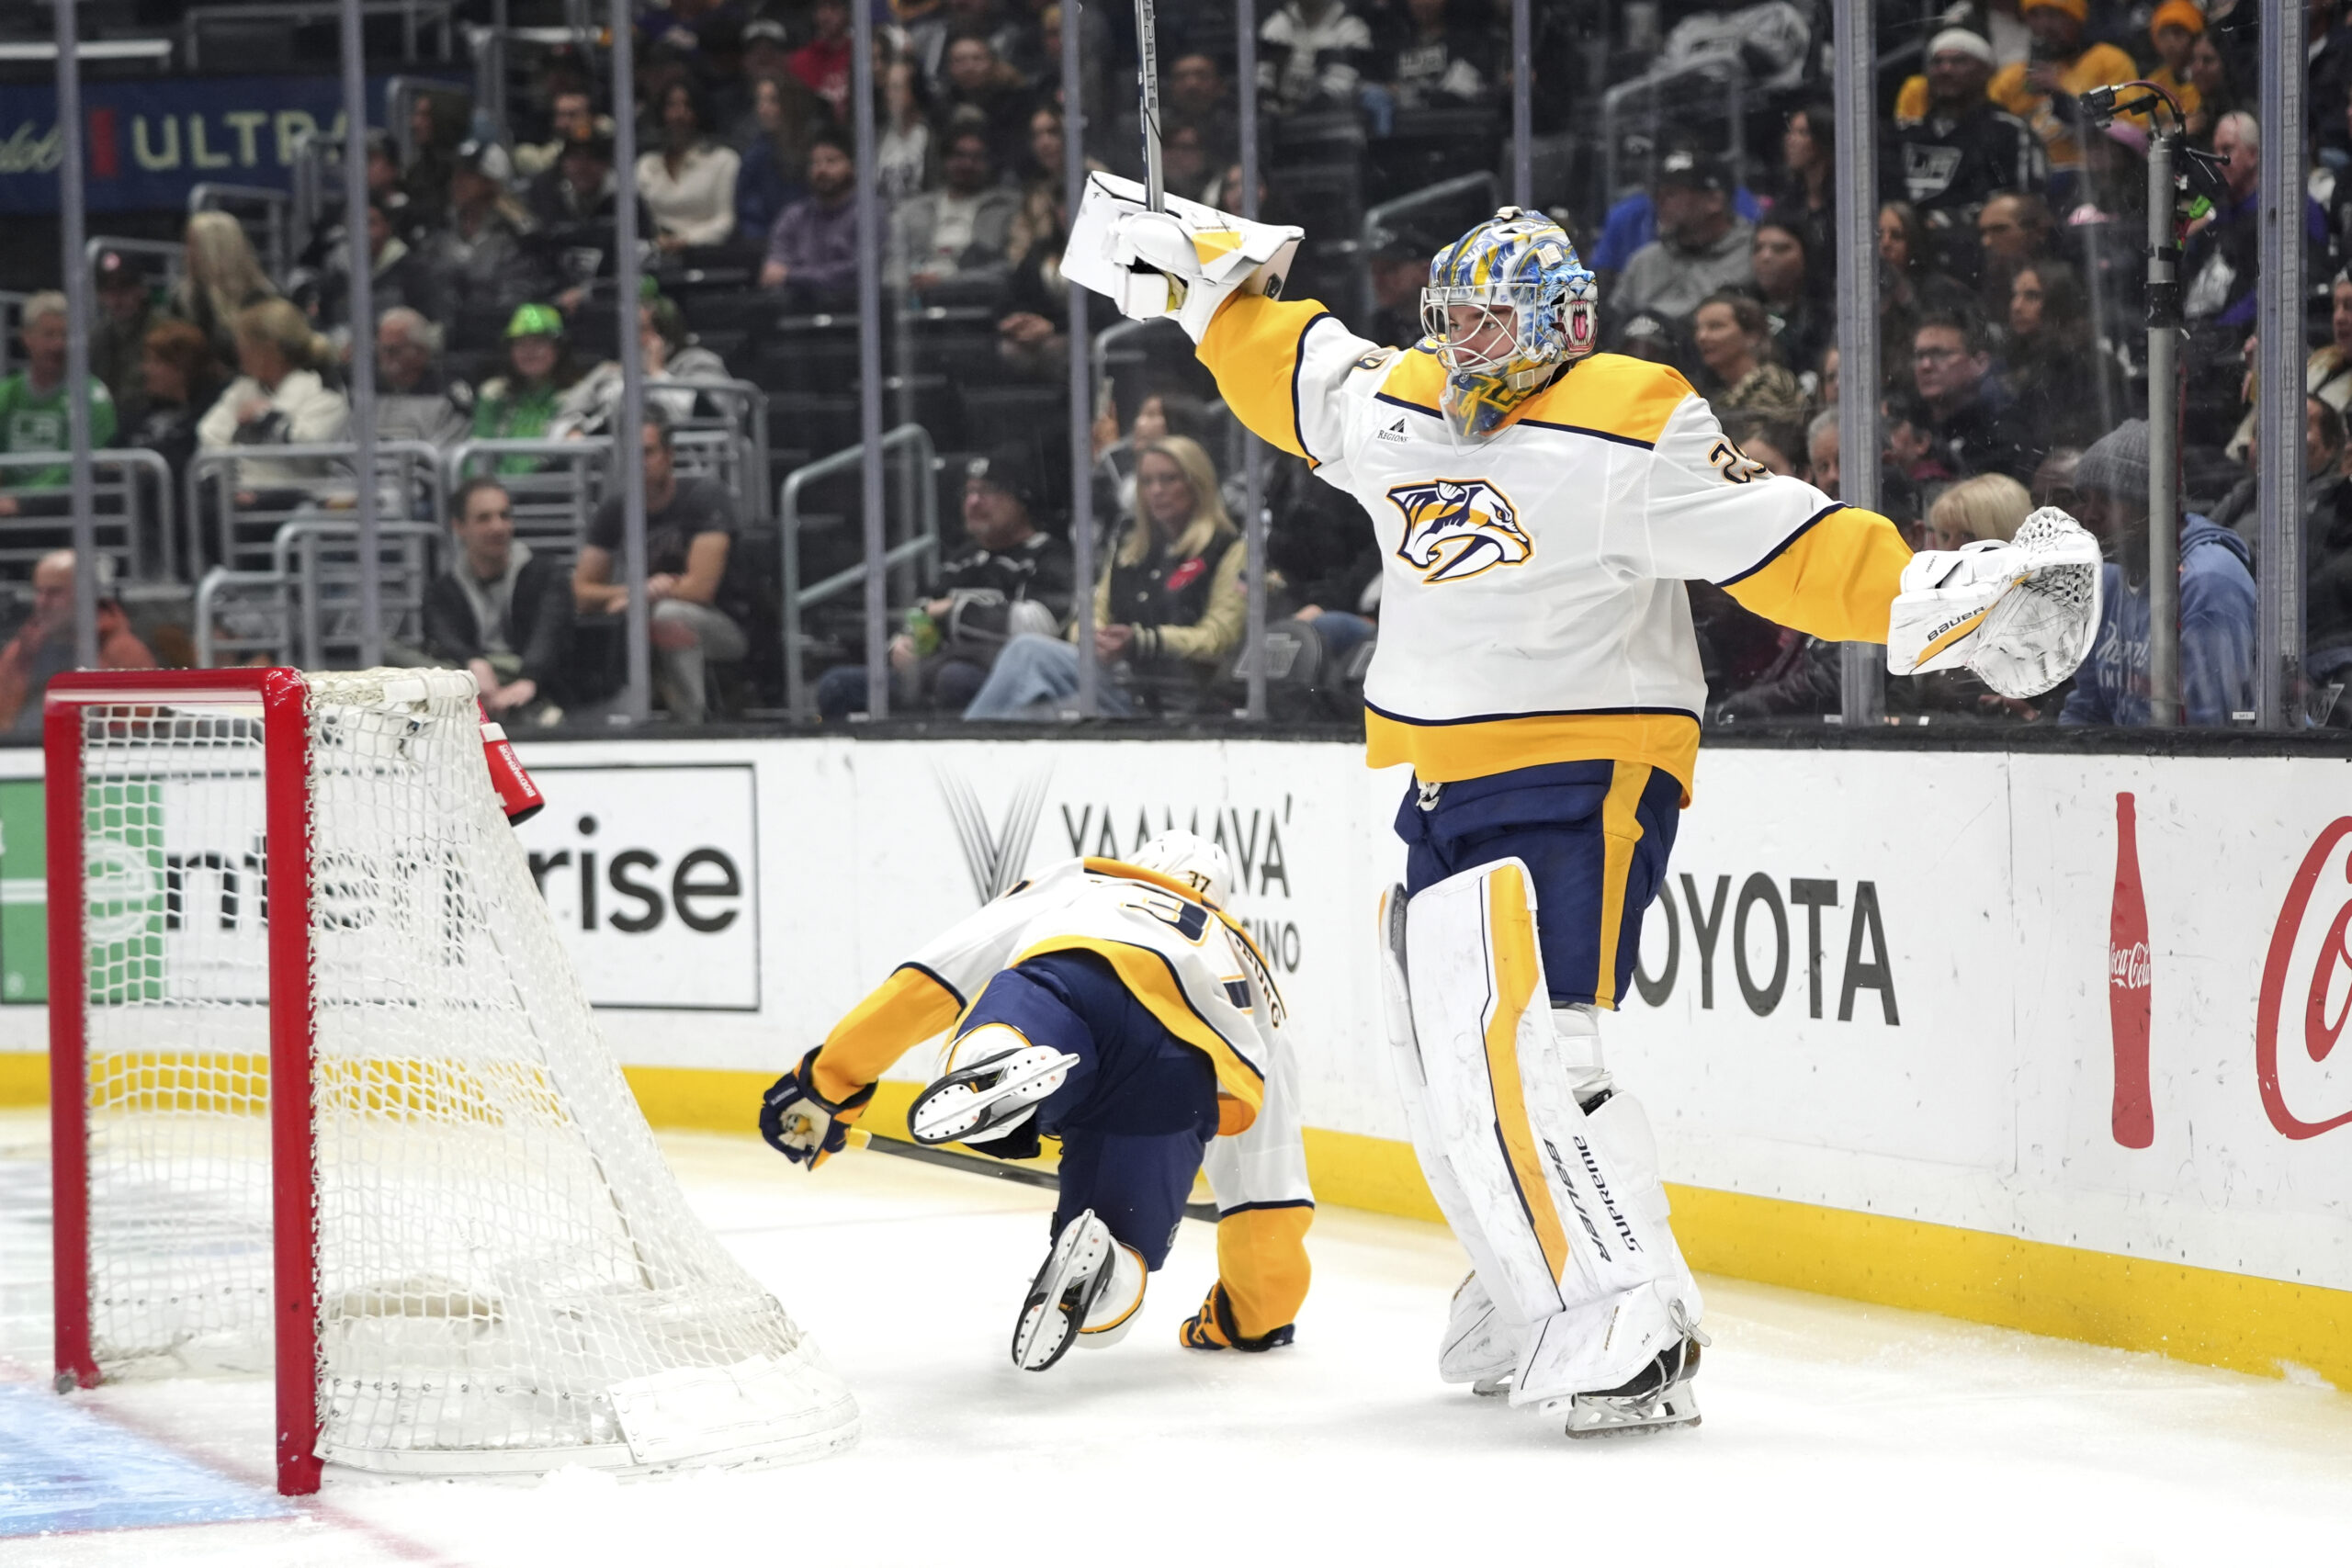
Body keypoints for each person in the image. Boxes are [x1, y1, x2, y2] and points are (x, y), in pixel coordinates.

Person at [1088, 197, 2098, 1433]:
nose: (1463, 340)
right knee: (1440, 1057)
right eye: (1447, 314)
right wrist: (1205, 288)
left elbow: (1780, 540)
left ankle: (1635, 1309)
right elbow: (1293, 369)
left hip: (1583, 765)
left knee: (1545, 1047)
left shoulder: (1630, 420)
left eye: (1489, 317)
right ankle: (1532, 1280)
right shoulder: (1399, 401)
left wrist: (1941, 593)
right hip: (1427, 777)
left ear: (1561, 323)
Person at [756, 830, 1313, 1368]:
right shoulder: (1246, 959)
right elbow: (1269, 1161)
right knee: (1119, 1238)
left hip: (1076, 982)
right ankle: (1111, 1272)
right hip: (1176, 1069)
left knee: (1022, 1014)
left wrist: (829, 1082)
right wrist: (1256, 1312)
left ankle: (1000, 1058)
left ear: (1143, 864)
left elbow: (937, 977)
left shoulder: (1090, 880)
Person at [966, 435, 1246, 719]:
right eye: (1147, 482)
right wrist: (1095, 637)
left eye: (1169, 479)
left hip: (1177, 695)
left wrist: (1141, 640)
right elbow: (1089, 614)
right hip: (1116, 679)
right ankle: (967, 744)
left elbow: (1219, 638)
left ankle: (963, 746)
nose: (1157, 491)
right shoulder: (1130, 546)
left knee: (1029, 715)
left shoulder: (1228, 548)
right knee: (1026, 651)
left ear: (1197, 484)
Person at [819, 442, 1075, 719]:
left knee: (954, 679)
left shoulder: (1049, 556)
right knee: (837, 685)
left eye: (987, 491)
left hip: (998, 679)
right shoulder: (962, 558)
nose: (973, 502)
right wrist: (900, 646)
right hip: (934, 669)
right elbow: (923, 611)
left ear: (1021, 500)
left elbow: (1041, 625)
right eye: (969, 492)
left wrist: (955, 610)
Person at [2060, 418, 2256, 728]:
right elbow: (2088, 710)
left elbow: (2214, 734)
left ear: (2156, 506)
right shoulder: (2108, 578)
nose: (2089, 515)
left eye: (2108, 499)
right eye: (2085, 499)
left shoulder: (2207, 582)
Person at [575, 410, 746, 724]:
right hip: (647, 609)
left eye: (648, 452)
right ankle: (608, 718)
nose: (640, 462)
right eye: (631, 454)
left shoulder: (703, 496)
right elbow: (582, 592)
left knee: (669, 616)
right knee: (614, 619)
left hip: (726, 624)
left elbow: (700, 589)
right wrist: (638, 593)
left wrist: (638, 598)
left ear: (670, 455)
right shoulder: (616, 508)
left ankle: (690, 725)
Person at [424, 476, 574, 725]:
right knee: (393, 654)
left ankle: (511, 704)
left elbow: (550, 633)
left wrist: (529, 679)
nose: (498, 527)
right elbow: (442, 634)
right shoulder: (443, 588)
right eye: (484, 518)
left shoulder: (546, 575)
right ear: (459, 527)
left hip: (528, 675)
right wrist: (473, 662)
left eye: (504, 516)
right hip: (470, 677)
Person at [1894, 28, 2047, 255]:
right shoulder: (1906, 135)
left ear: (1986, 71)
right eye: (1937, 62)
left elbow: (2025, 207)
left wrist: (1948, 221)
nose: (1945, 69)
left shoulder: (2009, 132)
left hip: (1977, 252)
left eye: (1959, 61)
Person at [196, 299, 351, 497]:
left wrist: (266, 417)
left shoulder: (321, 389)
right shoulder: (242, 389)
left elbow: (311, 450)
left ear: (268, 350)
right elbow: (210, 434)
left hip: (296, 497)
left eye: (244, 346)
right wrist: (227, 485)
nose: (239, 355)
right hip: (239, 496)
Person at [1988, 0, 2136, 193]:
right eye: (2035, 15)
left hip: (2092, 179)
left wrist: (2063, 95)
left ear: (2076, 17)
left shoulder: (2108, 61)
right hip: (2027, 180)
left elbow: (2130, 130)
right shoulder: (2014, 77)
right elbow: (1987, 129)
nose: (2044, 25)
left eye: (2053, 14)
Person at [0, 550, 154, 734]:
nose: (42, 602)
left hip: (98, 758)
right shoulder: (20, 653)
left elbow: (140, 725)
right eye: (39, 592)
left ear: (85, 594)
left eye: (54, 592)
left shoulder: (123, 651)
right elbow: (4, 720)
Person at [1609, 147, 1755, 329]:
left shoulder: (1755, 253)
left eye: (1671, 193)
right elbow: (1615, 331)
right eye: (1657, 193)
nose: (1659, 201)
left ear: (1714, 201)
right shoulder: (1644, 261)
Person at [0, 293, 117, 512]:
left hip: (66, 513)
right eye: (49, 335)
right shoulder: (5, 394)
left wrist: (22, 502)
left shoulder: (92, 395)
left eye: (65, 335)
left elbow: (79, 465)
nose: (57, 345)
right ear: (27, 338)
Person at [888, 124, 1021, 292]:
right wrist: (910, 281)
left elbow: (1009, 267)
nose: (967, 164)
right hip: (916, 298)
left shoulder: (1006, 209)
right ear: (945, 160)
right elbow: (891, 267)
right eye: (959, 155)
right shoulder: (913, 210)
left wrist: (947, 282)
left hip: (977, 298)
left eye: (976, 157)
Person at [2004, 258, 2115, 453]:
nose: (2016, 306)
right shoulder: (2017, 360)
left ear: (2059, 301)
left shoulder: (2084, 365)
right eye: (2015, 295)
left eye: (2032, 296)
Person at [1912, 311, 2031, 480]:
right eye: (1919, 356)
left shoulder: (2000, 438)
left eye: (1940, 354)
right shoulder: (1911, 428)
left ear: (1980, 363)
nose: (1926, 365)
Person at [470, 304, 583, 470]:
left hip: (555, 492)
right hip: (498, 491)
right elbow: (475, 460)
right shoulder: (494, 395)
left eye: (539, 342)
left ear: (559, 349)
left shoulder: (579, 396)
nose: (529, 352)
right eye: (520, 344)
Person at [637, 80, 741, 254]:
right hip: (655, 252)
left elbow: (726, 220)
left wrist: (686, 240)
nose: (679, 114)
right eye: (671, 105)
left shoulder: (724, 160)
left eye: (687, 105)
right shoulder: (646, 164)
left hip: (707, 256)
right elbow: (637, 220)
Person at [760, 130, 862, 310]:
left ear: (853, 166)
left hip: (854, 312)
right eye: (815, 163)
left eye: (831, 161)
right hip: (798, 314)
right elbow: (773, 273)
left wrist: (792, 277)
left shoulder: (868, 214)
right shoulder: (793, 216)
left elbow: (859, 272)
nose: (822, 169)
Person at [165, 211, 277, 372]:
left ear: (214, 249)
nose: (187, 254)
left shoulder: (264, 298)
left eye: (193, 245)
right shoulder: (183, 299)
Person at [127, 319, 223, 501]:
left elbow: (182, 461)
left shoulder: (210, 412)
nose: (145, 369)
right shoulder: (139, 413)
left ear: (181, 367)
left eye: (155, 362)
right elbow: (110, 457)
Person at [1690, 291, 1806, 425]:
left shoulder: (1772, 384)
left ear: (1752, 336)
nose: (1701, 337)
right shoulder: (1717, 396)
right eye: (1698, 329)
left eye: (1716, 326)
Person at [734, 72, 822, 243]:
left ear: (791, 103)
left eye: (772, 101)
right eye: (760, 101)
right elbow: (750, 213)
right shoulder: (755, 156)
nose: (763, 109)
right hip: (768, 247)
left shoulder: (817, 149)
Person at [375, 308, 472, 448]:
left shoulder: (448, 396)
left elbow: (444, 458)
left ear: (421, 352)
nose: (385, 359)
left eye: (393, 350)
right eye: (381, 349)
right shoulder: (366, 392)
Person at [1258, 0, 1373, 115]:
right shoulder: (1278, 25)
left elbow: (1340, 87)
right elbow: (1261, 76)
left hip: (1332, 122)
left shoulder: (1351, 29)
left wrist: (1300, 110)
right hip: (1277, 121)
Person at [1749, 218, 1828, 382]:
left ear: (1805, 254)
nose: (1766, 256)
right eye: (1758, 248)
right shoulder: (1739, 307)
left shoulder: (1826, 313)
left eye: (1780, 249)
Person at [89, 250, 157, 433]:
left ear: (141, 290)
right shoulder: (98, 336)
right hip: (108, 422)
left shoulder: (160, 330)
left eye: (125, 288)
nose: (117, 299)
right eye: (109, 290)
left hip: (151, 418)